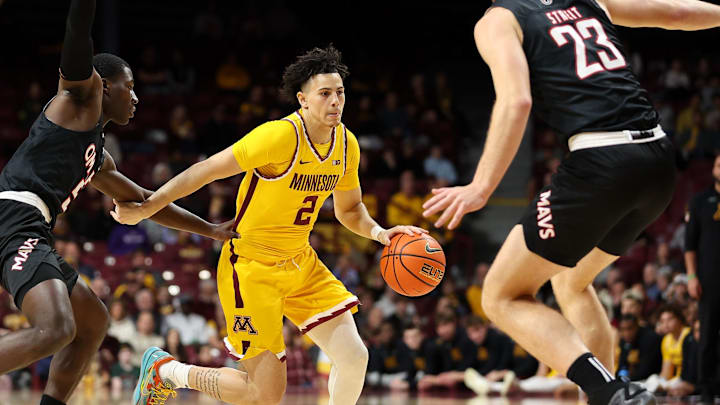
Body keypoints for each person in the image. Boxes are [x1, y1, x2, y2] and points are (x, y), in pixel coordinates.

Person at [423, 1, 720, 404]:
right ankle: (608, 396)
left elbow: (516, 102)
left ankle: (608, 391)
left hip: (601, 164)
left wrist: (481, 186)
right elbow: (677, 15)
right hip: (658, 160)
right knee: (570, 280)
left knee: (501, 295)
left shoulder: (499, 20)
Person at [111, 45, 426, 405]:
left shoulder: (346, 145)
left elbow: (351, 209)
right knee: (263, 395)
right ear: (303, 100)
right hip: (251, 268)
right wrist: (149, 206)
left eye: (340, 93)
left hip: (301, 264)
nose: (335, 101)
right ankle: (166, 371)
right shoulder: (279, 137)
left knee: (355, 357)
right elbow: (207, 169)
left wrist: (380, 233)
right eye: (325, 94)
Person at [0, 2, 235, 404]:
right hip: (11, 218)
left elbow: (145, 201)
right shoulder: (75, 100)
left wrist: (211, 230)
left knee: (91, 322)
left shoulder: (97, 153)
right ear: (104, 84)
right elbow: (77, 32)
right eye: (131, 85)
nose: (137, 97)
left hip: (32, 227)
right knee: (55, 329)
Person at [684, 153, 720, 403]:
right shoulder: (699, 201)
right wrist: (692, 276)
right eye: (719, 164)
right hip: (708, 280)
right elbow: (689, 245)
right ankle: (706, 390)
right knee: (707, 334)